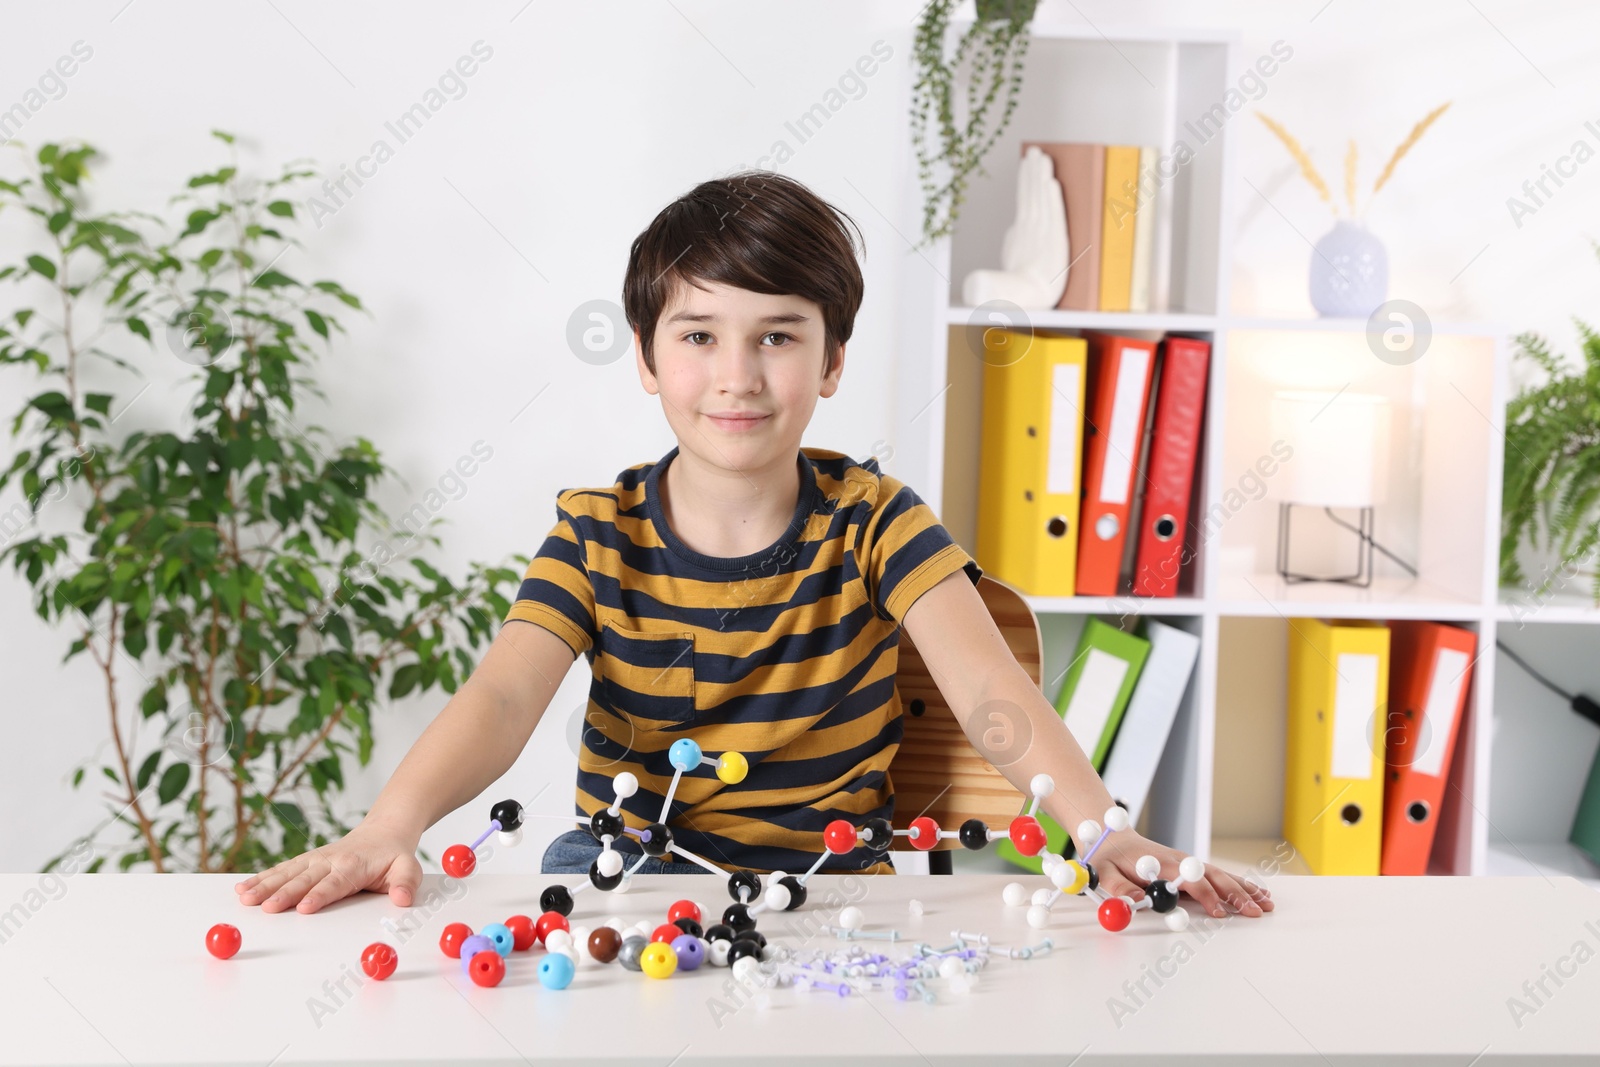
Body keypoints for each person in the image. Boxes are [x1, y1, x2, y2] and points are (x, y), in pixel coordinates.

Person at [236, 171, 1272, 920]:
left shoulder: (876, 520)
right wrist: (390, 825)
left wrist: (1103, 833)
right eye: (698, 336)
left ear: (831, 361)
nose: (736, 374)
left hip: (831, 890)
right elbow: (503, 696)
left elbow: (993, 696)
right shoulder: (596, 531)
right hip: (625, 877)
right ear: (644, 357)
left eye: (777, 335)